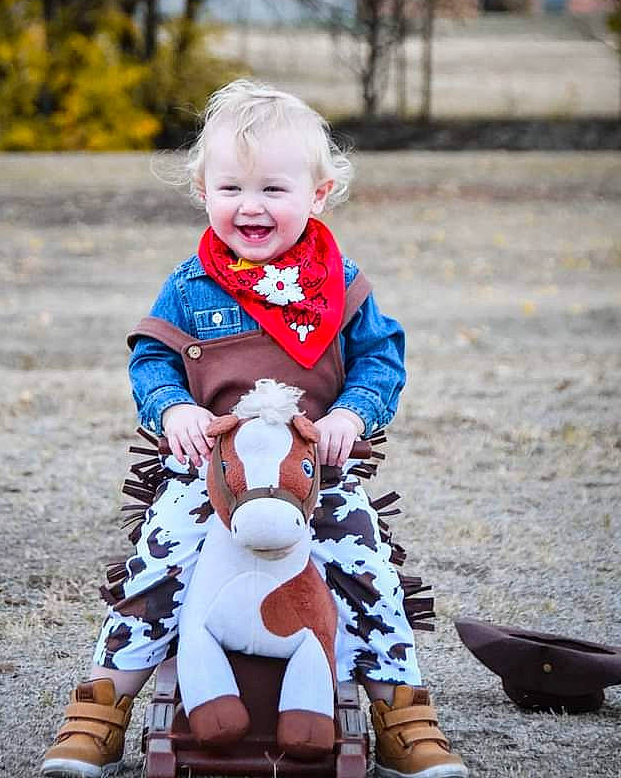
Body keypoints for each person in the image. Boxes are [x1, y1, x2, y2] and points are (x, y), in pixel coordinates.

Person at [42, 80, 467, 778]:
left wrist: (351, 415)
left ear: (319, 195)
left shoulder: (343, 285)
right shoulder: (190, 285)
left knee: (365, 566)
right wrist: (174, 409)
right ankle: (100, 708)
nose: (251, 206)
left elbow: (382, 360)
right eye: (231, 188)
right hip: (209, 470)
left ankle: (401, 712)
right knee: (157, 563)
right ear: (204, 191)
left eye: (273, 189)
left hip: (313, 473)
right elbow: (153, 358)